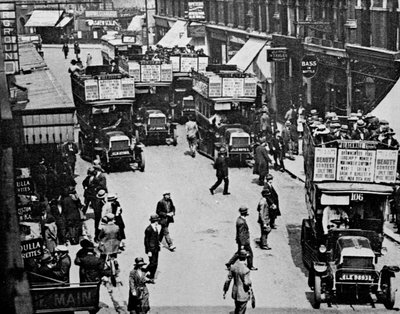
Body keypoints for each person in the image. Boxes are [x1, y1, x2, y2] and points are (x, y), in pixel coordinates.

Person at [226, 206, 257, 271]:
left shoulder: (239, 219)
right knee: (250, 253)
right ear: (245, 213)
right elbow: (241, 233)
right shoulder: (242, 222)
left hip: (241, 240)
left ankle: (230, 263)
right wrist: (243, 244)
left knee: (239, 253)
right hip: (244, 241)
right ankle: (250, 266)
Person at [223, 249, 253, 314]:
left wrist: (225, 290)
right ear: (245, 258)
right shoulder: (246, 270)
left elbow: (228, 280)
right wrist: (250, 283)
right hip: (243, 293)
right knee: (241, 310)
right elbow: (246, 283)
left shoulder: (233, 267)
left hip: (235, 292)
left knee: (237, 307)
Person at [144, 214, 161, 280]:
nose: (158, 222)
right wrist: (148, 251)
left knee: (155, 263)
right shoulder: (148, 229)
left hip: (156, 248)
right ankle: (144, 271)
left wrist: (158, 244)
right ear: (155, 221)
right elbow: (146, 241)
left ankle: (151, 276)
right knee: (153, 263)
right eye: (157, 221)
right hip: (151, 249)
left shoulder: (155, 228)